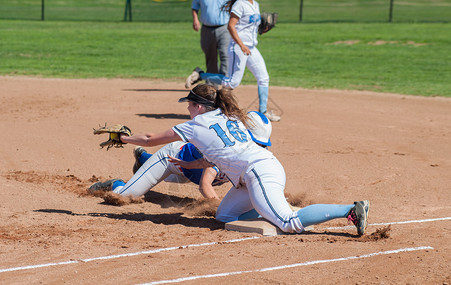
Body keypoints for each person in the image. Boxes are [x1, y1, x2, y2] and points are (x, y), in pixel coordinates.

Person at [90, 84, 370, 236]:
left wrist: (124, 139)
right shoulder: (229, 116)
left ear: (199, 106)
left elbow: (151, 137)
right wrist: (192, 165)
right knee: (225, 216)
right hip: (253, 172)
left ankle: (350, 209)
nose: (188, 108)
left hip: (256, 172)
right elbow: (219, 156)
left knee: (289, 223)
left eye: (189, 104)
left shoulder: (196, 124)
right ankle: (270, 208)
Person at [89, 111, 272, 202]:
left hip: (190, 170)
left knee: (169, 177)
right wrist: (216, 207)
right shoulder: (226, 151)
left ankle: (142, 159)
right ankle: (115, 184)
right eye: (258, 144)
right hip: (174, 159)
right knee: (125, 197)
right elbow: (205, 185)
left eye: (262, 145)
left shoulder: (254, 156)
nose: (259, 148)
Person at [185, 0, 281, 122]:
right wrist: (241, 44)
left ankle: (263, 112)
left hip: (251, 47)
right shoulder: (239, 4)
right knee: (232, 82)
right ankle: (200, 75)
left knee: (263, 78)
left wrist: (263, 28)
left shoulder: (255, 4)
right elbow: (231, 26)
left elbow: (249, 26)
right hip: (238, 47)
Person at [191, 0, 231, 76]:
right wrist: (195, 19)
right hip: (207, 29)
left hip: (224, 28)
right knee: (210, 56)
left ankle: (225, 83)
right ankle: (212, 84)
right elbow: (195, 6)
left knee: (226, 54)